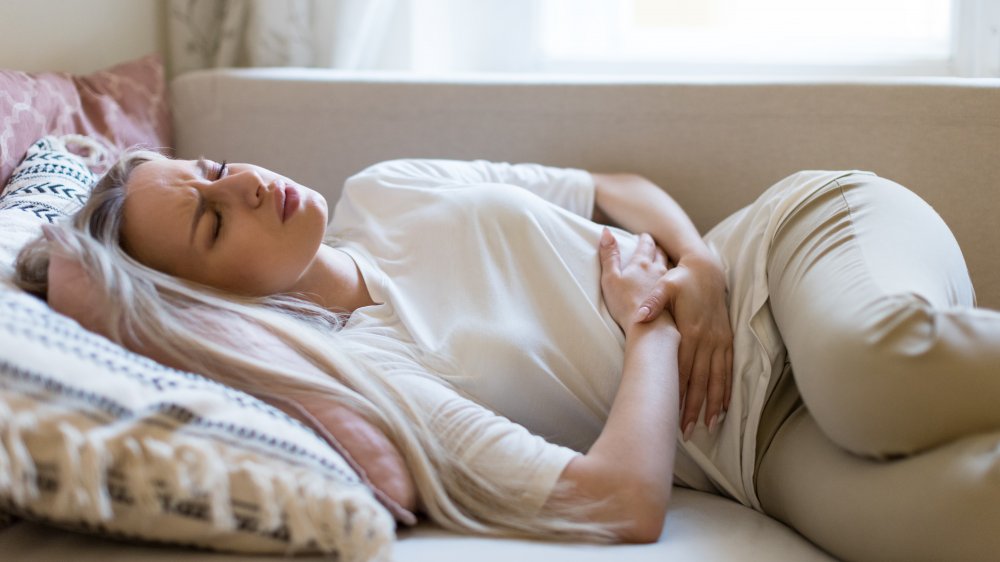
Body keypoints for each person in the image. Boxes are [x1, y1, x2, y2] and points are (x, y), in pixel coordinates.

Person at [11, 152, 999, 561]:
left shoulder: (385, 188)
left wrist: (694, 266)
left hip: (784, 259)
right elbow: (621, 501)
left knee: (877, 378)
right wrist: (645, 325)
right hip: (755, 452)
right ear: (207, 301)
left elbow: (613, 188)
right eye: (213, 223)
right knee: (967, 512)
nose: (252, 186)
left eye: (217, 171)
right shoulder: (376, 379)